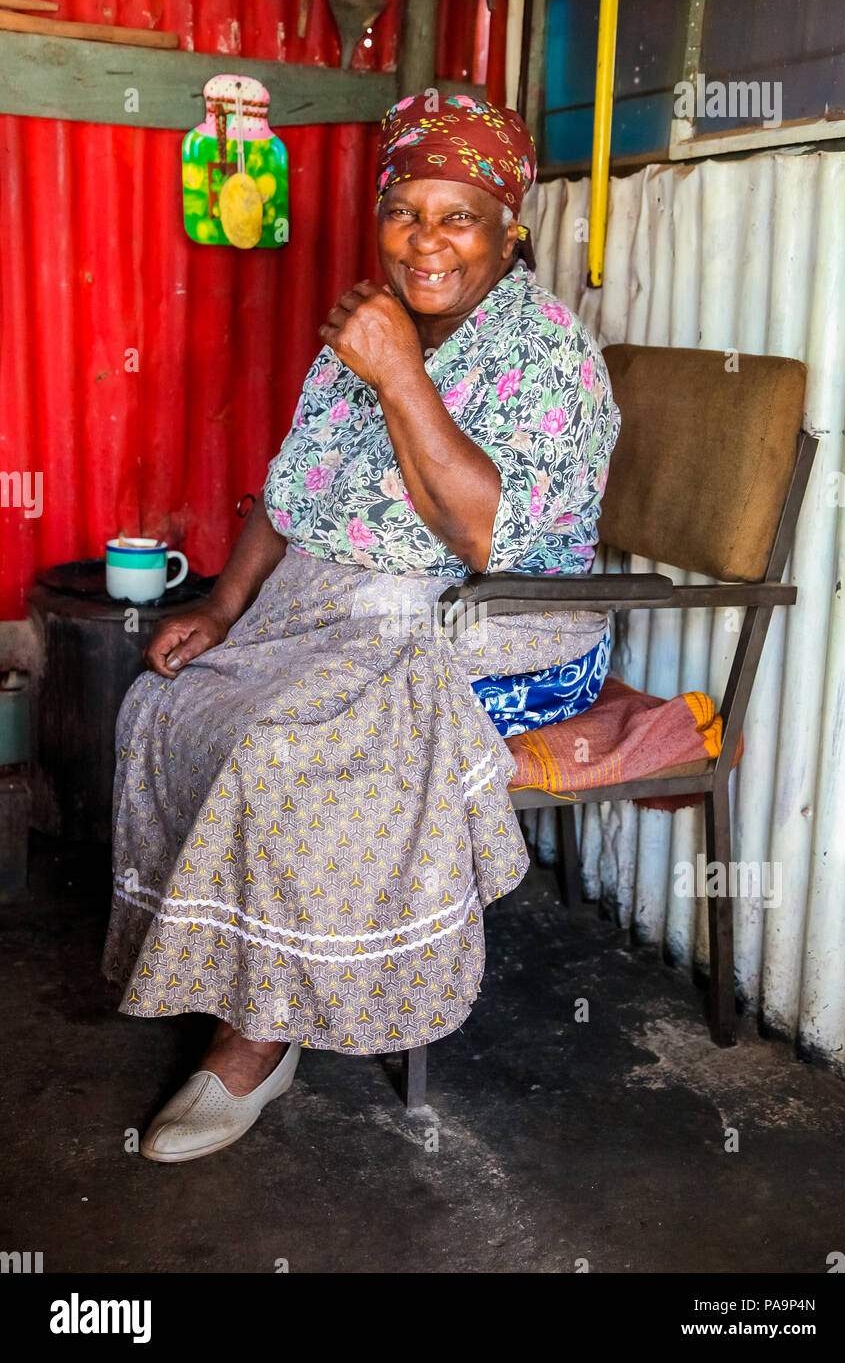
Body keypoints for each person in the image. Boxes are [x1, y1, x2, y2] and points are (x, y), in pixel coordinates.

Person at [103, 94, 620, 1162]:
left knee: (285, 749)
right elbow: (294, 496)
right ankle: (239, 971)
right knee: (167, 696)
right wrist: (220, 604)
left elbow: (481, 537)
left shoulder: (549, 354)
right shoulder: (363, 325)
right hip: (338, 606)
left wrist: (398, 372)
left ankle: (256, 1034)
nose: (426, 241)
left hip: (502, 625)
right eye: (404, 213)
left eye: (458, 216)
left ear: (507, 230)